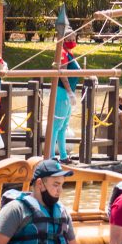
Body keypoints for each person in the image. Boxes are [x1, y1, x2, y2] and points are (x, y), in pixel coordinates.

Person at [51, 29, 80, 162]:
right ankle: (51, 155)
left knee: (64, 126)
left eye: (74, 39)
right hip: (62, 92)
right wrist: (69, 91)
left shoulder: (70, 54)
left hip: (69, 93)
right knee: (56, 125)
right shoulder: (62, 53)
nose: (72, 41)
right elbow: (63, 74)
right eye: (69, 39)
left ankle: (63, 155)